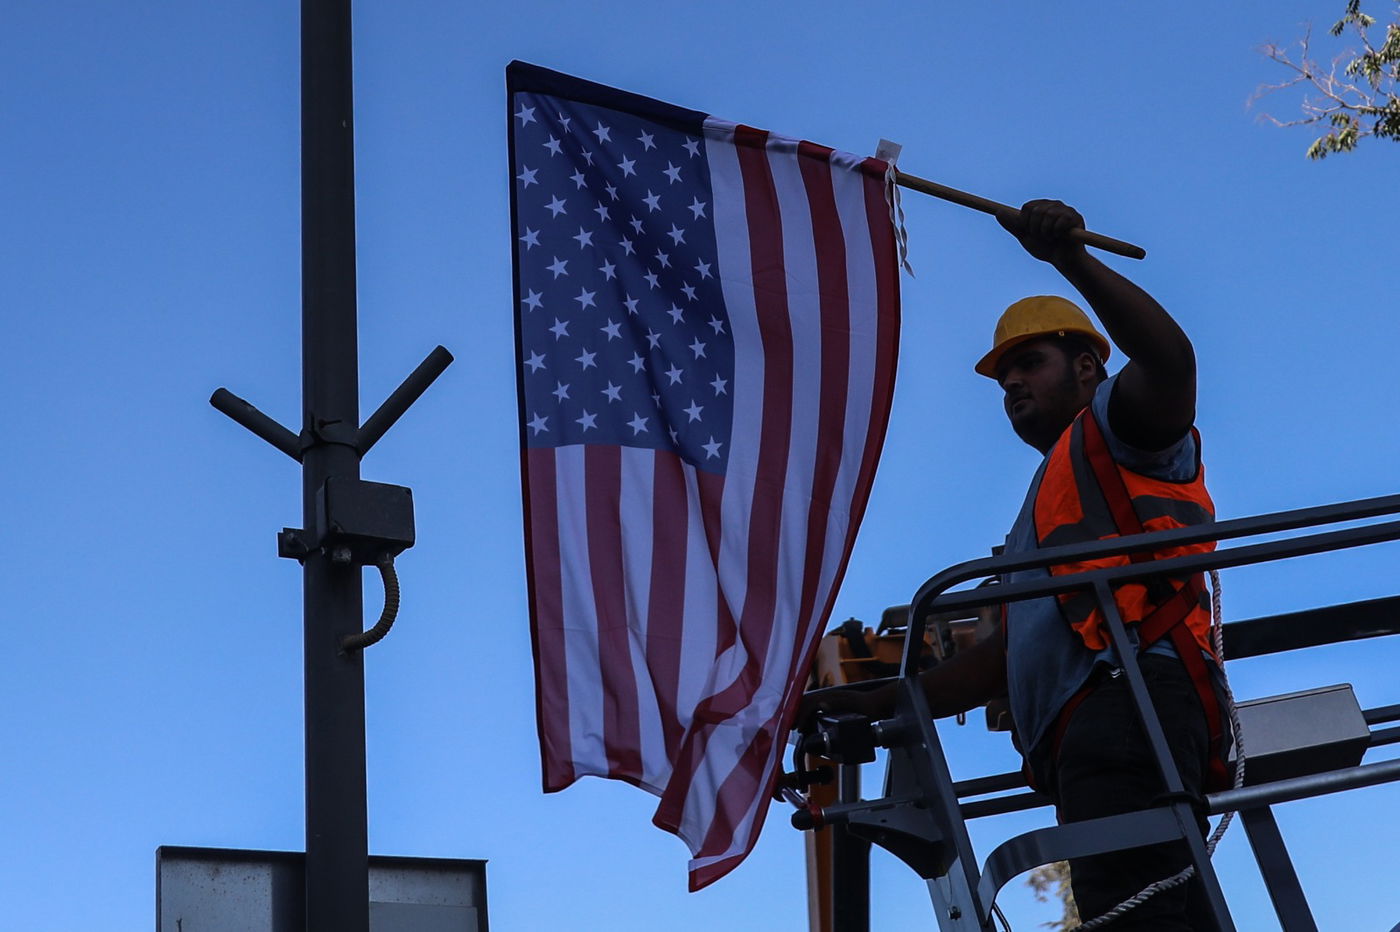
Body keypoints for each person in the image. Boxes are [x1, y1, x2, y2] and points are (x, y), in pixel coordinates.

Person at [800, 200, 1226, 930]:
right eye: (1004, 382)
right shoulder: (1041, 509)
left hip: (1130, 699)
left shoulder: (1119, 429)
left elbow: (1170, 362)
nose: (1014, 387)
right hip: (1091, 723)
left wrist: (1070, 260)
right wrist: (873, 701)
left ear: (1089, 366)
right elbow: (1002, 658)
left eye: (1030, 363)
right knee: (1153, 912)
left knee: (1137, 913)